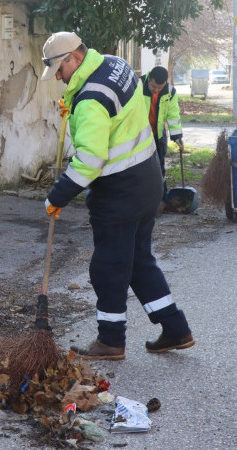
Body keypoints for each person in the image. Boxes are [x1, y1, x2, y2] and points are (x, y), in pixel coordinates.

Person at [40, 32, 194, 360]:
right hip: (149, 179)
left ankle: (110, 341)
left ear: (74, 59)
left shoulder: (89, 100)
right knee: (139, 260)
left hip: (120, 192)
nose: (57, 76)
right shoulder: (116, 65)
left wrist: (57, 196)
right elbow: (121, 120)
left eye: (58, 68)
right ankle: (175, 328)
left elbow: (90, 161)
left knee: (108, 267)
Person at [140, 66, 184, 212]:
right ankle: (140, 199)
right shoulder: (137, 86)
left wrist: (177, 137)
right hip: (138, 137)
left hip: (157, 136)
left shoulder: (170, 91)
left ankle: (161, 199)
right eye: (153, 87)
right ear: (149, 78)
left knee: (159, 169)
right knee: (139, 169)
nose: (156, 90)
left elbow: (173, 115)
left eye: (160, 87)